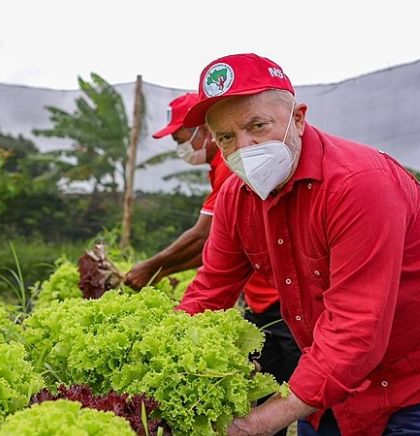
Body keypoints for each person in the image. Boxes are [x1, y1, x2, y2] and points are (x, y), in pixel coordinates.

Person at [176, 53, 420, 436]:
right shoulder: (236, 197)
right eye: (226, 137)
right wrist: (160, 360)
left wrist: (256, 423)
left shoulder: (359, 184)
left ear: (298, 119)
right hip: (328, 387)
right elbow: (210, 290)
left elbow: (357, 329)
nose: (245, 146)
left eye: (257, 125)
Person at [126, 93, 301, 436]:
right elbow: (217, 259)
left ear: (201, 132)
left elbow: (200, 236)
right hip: (260, 300)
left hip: (285, 301)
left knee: (313, 403)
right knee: (265, 389)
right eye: (227, 137)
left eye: (180, 140)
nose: (181, 149)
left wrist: (151, 269)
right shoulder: (225, 168)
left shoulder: (233, 166)